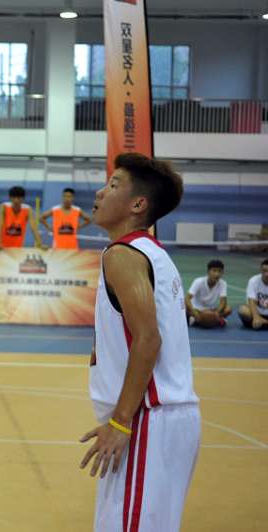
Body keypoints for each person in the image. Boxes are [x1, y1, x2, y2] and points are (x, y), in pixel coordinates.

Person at [80, 153, 200, 532]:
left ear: (138, 205)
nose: (100, 192)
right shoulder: (154, 254)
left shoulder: (123, 255)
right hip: (163, 419)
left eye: (113, 185)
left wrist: (120, 422)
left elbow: (148, 340)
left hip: (146, 419)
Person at [185, 259, 231, 328]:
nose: (217, 274)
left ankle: (198, 321)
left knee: (228, 309)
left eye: (219, 271)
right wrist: (194, 313)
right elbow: (187, 299)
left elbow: (223, 302)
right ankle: (215, 320)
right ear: (208, 272)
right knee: (185, 308)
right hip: (197, 309)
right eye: (214, 271)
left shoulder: (223, 283)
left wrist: (216, 313)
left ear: (222, 273)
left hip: (211, 310)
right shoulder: (198, 281)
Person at [0, 185, 41, 250]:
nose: (16, 200)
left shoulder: (28, 209)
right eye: (14, 197)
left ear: (23, 198)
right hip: (1, 246)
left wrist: (39, 243)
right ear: (10, 198)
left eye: (19, 198)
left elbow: (33, 227)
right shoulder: (4, 206)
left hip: (18, 246)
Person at [238, 258, 268, 330]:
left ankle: (262, 323)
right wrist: (256, 317)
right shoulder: (253, 281)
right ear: (261, 270)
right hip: (256, 313)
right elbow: (251, 301)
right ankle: (260, 322)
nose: (267, 274)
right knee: (243, 310)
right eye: (264, 271)